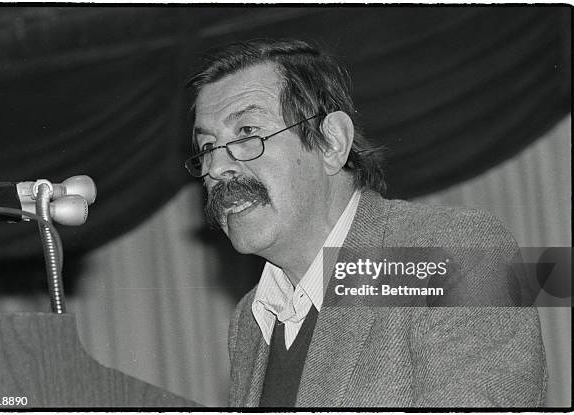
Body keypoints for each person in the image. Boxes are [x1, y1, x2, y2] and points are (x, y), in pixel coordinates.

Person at [184, 39, 546, 407]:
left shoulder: (455, 256)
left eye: (246, 132)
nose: (215, 168)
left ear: (331, 143)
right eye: (207, 148)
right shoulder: (250, 319)